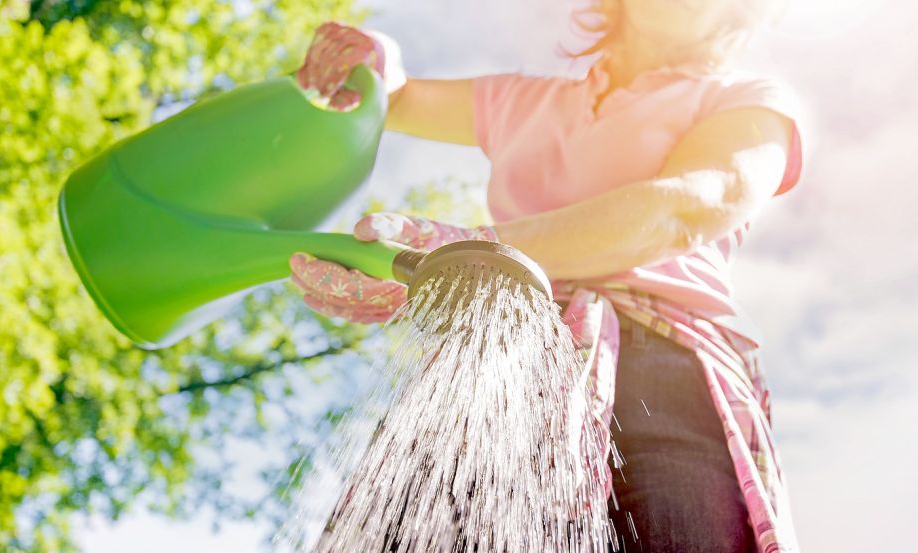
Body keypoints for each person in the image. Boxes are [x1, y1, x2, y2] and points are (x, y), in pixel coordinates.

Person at [290, 1, 804, 551]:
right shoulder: (521, 102)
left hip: (662, 370)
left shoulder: (749, 100)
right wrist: (376, 61)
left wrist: (471, 254)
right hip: (494, 353)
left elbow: (691, 205)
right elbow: (385, 98)